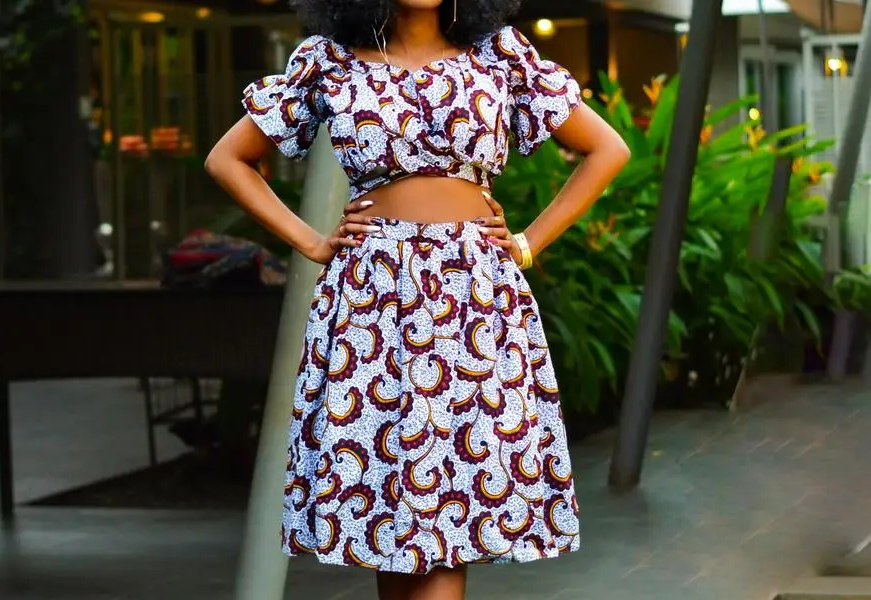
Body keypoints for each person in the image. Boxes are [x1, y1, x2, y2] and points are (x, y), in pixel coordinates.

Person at [205, 0, 630, 598]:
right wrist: (311, 241)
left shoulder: (499, 54)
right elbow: (228, 159)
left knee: (448, 513)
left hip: (472, 300)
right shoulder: (329, 62)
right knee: (394, 521)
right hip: (370, 301)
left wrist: (529, 243)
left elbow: (607, 149)